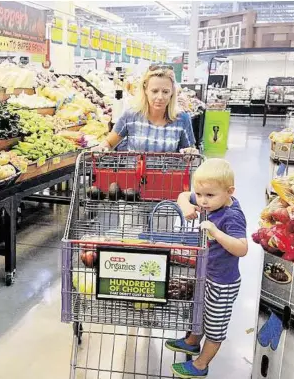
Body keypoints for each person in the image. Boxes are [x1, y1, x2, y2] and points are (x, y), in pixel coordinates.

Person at [167, 158, 248, 379]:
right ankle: (192, 342)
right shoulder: (209, 198)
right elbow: (184, 195)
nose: (202, 201)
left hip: (223, 282)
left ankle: (201, 365)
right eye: (200, 194)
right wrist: (186, 205)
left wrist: (216, 231)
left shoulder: (232, 216)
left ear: (229, 191)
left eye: (209, 196)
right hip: (207, 273)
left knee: (215, 327)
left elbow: (242, 248)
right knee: (200, 311)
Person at [95, 66, 198, 154]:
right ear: (145, 90)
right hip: (133, 176)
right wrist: (101, 148)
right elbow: (109, 143)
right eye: (155, 91)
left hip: (169, 177)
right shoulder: (131, 116)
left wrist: (191, 152)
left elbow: (190, 152)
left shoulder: (182, 119)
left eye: (165, 92)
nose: (160, 97)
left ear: (172, 93)